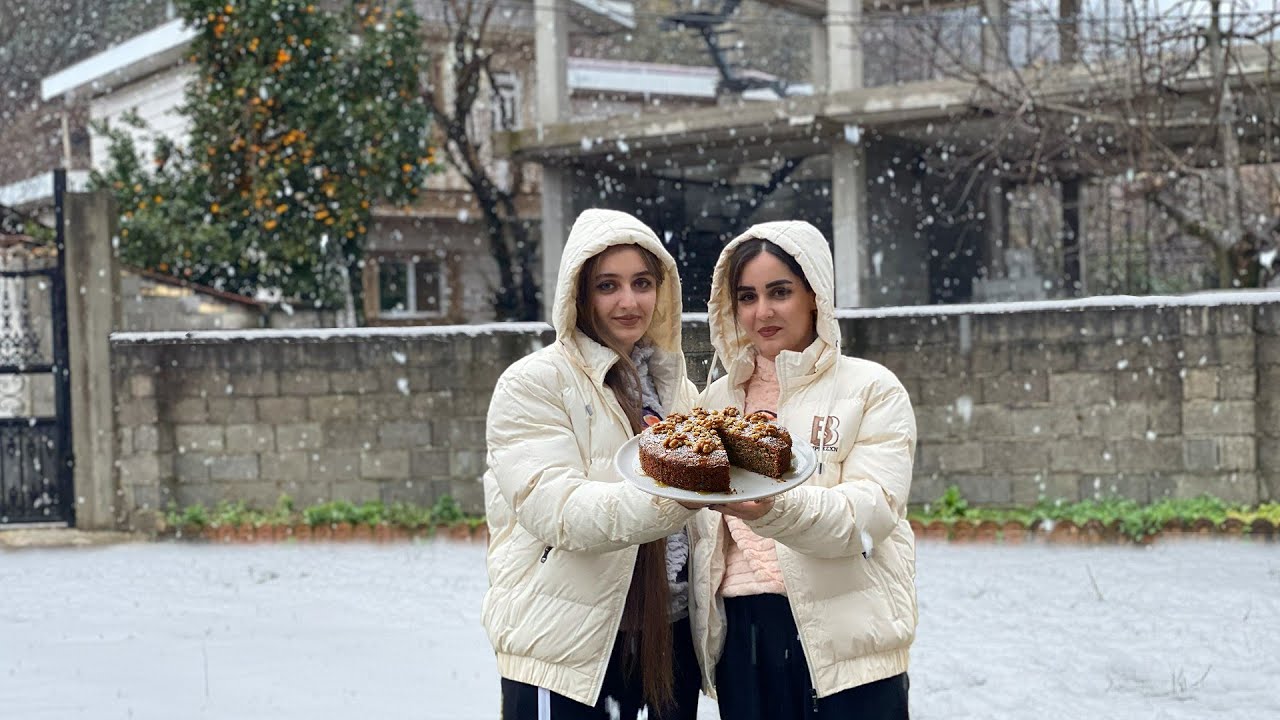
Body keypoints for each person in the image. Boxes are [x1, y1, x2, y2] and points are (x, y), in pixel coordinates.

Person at [689, 221, 918, 719]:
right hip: (744, 635)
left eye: (780, 292)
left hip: (847, 640)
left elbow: (871, 514)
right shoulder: (714, 402)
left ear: (814, 295)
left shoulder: (870, 389)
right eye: (747, 297)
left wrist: (776, 509)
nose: (762, 312)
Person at [482, 208, 703, 720]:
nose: (629, 301)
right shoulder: (533, 383)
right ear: (579, 294)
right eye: (608, 285)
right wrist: (678, 500)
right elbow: (559, 511)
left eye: (642, 283)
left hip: (667, 641)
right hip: (567, 646)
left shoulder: (678, 390)